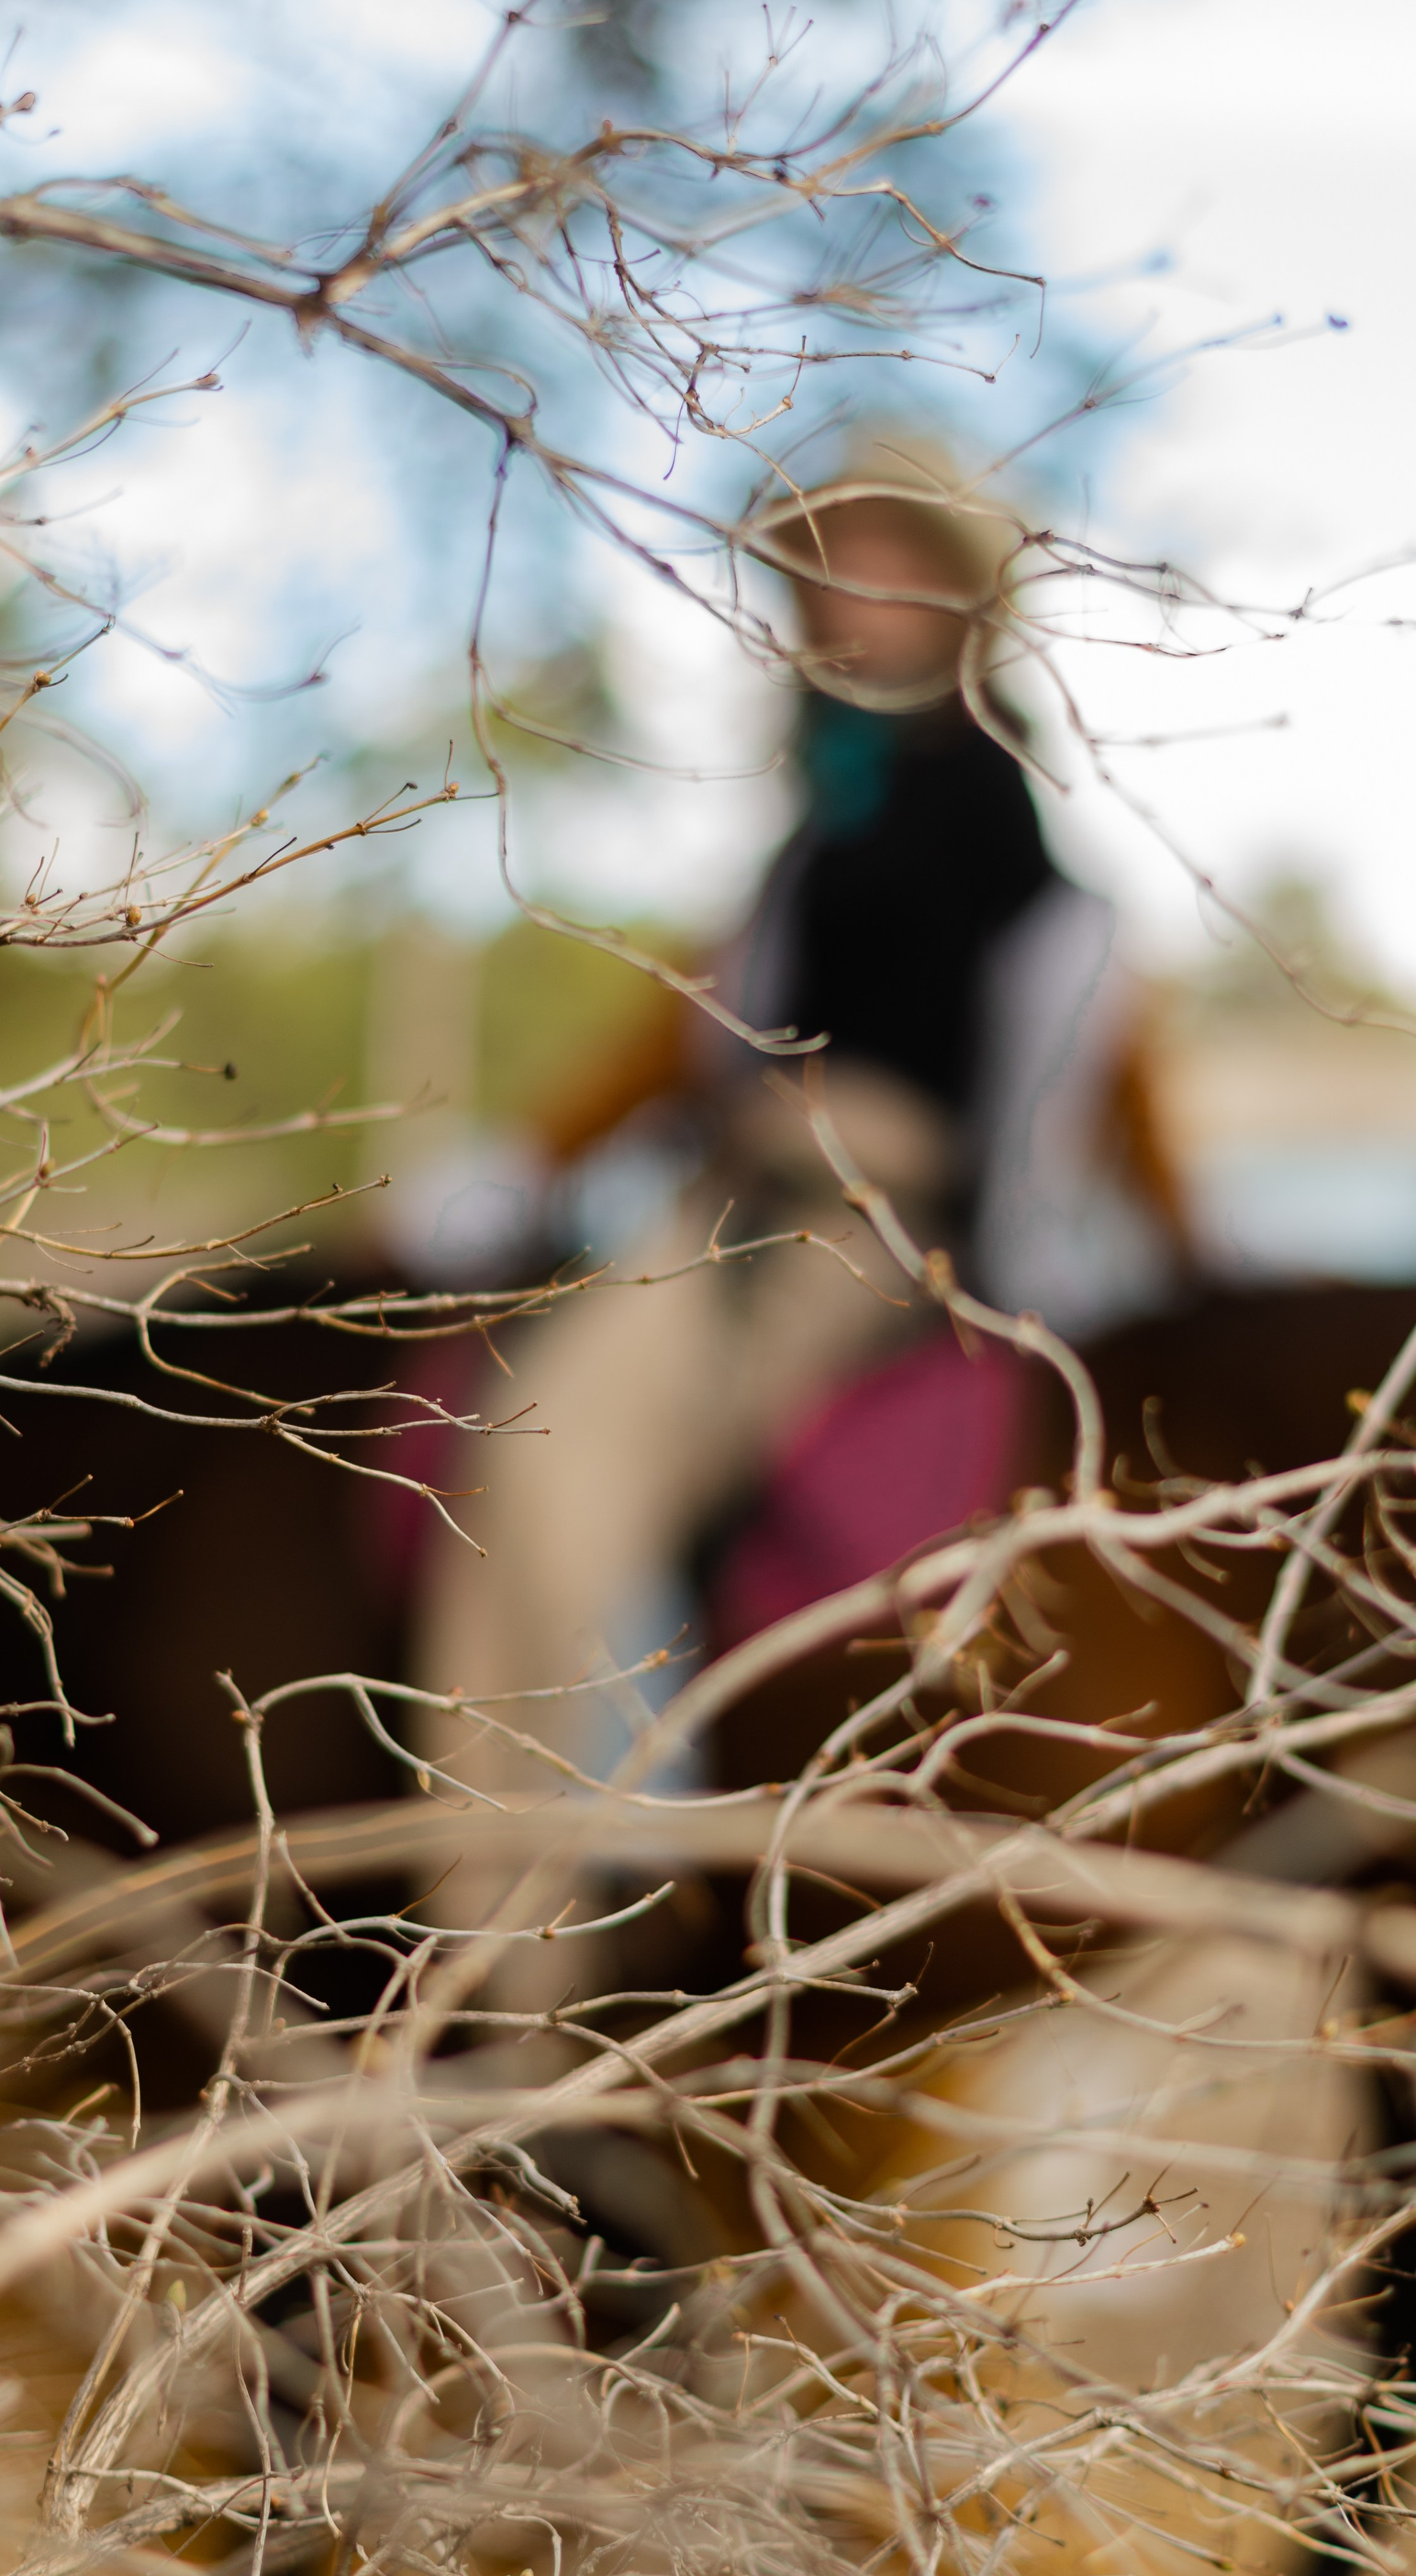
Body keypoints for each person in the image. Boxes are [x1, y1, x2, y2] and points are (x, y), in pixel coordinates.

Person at [407, 463, 1184, 1976]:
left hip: (845, 1217)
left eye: (879, 559)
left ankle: (510, 1960)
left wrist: (1172, 1240)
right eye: (817, 567)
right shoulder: (830, 802)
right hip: (738, 1184)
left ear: (957, 588)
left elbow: (1088, 1016)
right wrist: (528, 1164)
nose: (841, 594)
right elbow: (689, 1021)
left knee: (537, 1464)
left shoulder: (966, 792)